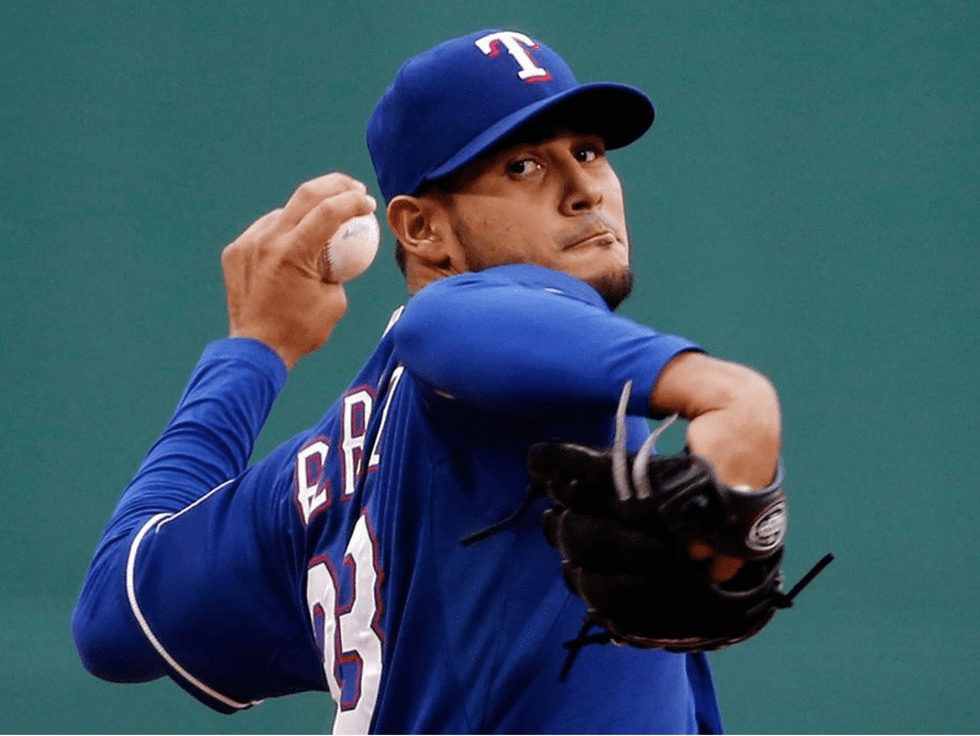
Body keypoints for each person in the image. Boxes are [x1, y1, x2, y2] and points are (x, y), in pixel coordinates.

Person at [73, 29, 781, 734]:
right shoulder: (477, 328)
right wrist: (728, 395)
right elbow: (445, 319)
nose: (583, 190)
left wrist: (254, 349)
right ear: (421, 230)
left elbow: (112, 612)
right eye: (524, 166)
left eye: (589, 152)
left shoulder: (312, 481)